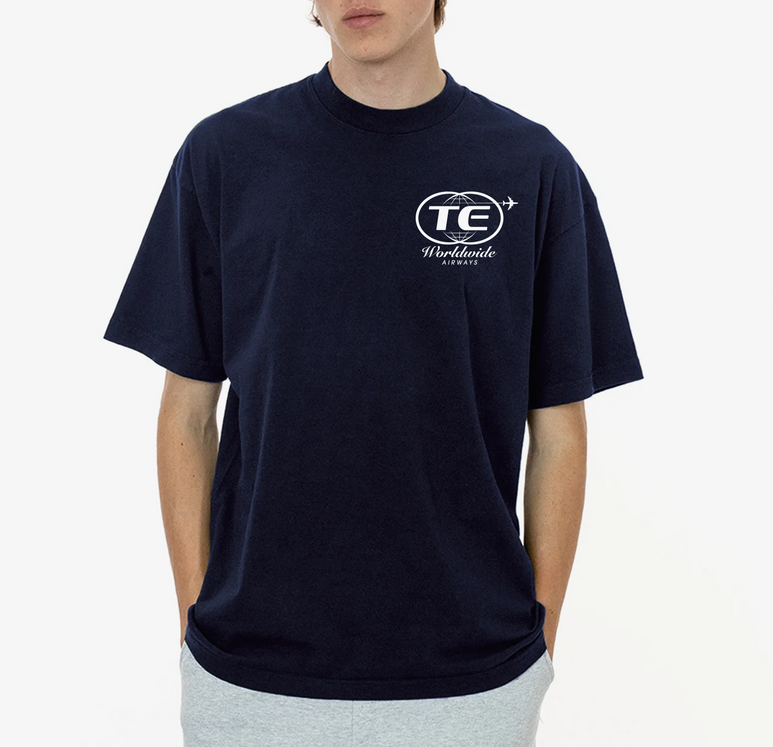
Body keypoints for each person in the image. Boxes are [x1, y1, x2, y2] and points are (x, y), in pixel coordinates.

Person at [103, 1, 644, 744]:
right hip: (249, 673)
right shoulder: (226, 155)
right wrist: (196, 622)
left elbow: (558, 430)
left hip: (474, 677)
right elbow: (188, 414)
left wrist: (539, 645)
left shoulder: (530, 167)